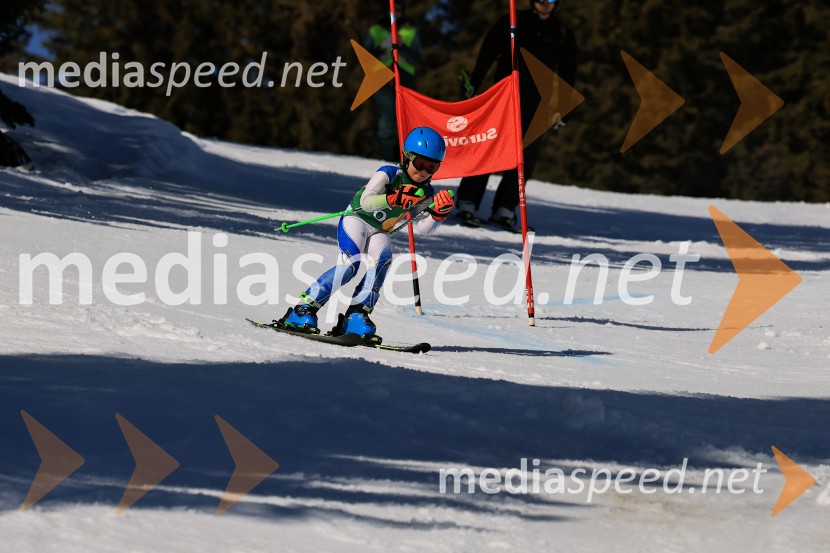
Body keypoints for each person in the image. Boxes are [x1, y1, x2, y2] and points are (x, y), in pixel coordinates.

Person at [278, 127, 455, 341]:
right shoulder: (389, 173)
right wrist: (392, 199)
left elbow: (422, 229)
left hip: (380, 230)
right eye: (419, 163)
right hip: (357, 220)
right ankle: (302, 310)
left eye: (431, 166)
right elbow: (365, 202)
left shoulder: (426, 192)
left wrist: (438, 214)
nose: (424, 171)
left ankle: (355, 315)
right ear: (406, 157)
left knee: (382, 262)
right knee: (350, 266)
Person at [455, 0, 578, 231]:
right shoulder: (514, 19)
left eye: (550, 0)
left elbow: (568, 72)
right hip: (503, 96)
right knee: (489, 150)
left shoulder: (562, 31)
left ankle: (505, 208)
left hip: (536, 104)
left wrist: (564, 106)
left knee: (524, 158)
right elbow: (488, 52)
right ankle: (467, 202)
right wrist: (474, 82)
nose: (545, 4)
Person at [363, 12, 423, 161]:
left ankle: (408, 160)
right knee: (386, 126)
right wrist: (382, 49)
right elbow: (364, 56)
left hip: (405, 79)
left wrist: (401, 48)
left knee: (407, 122)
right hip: (383, 80)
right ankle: (389, 161)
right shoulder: (376, 31)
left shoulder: (409, 32)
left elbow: (418, 59)